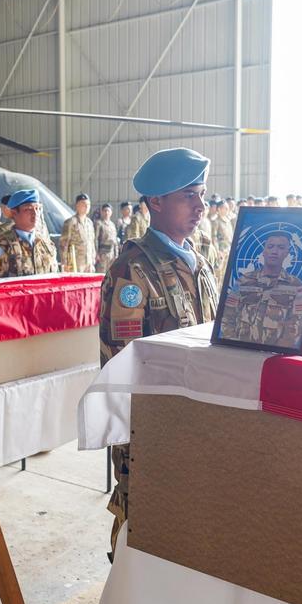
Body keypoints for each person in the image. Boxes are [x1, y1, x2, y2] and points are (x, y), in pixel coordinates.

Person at [101, 147, 219, 555]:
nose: (200, 206)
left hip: (198, 418)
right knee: (140, 523)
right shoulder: (133, 269)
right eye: (188, 196)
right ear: (156, 201)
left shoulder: (199, 262)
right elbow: (123, 361)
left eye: (201, 195)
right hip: (152, 428)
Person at [217, 231, 302, 348]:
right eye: (270, 246)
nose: (274, 251)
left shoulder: (296, 286)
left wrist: (279, 349)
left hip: (273, 353)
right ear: (264, 251)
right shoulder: (243, 281)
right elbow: (228, 315)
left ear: (286, 253)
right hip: (239, 349)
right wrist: (232, 342)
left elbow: (297, 323)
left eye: (281, 247)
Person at [0, 189, 58, 277]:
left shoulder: (46, 244)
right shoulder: (2, 246)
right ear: (14, 213)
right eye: (28, 209)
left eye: (37, 208)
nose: (35, 213)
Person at [60, 193, 97, 272]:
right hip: (75, 263)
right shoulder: (71, 222)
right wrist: (65, 263)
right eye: (83, 204)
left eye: (88, 204)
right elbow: (64, 244)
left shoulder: (89, 223)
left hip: (88, 263)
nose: (86, 206)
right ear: (77, 206)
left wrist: (93, 259)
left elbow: (91, 242)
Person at [95, 203, 119, 272]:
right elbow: (95, 239)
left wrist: (116, 254)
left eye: (108, 211)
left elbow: (115, 241)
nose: (106, 213)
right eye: (105, 211)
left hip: (111, 253)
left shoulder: (112, 225)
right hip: (102, 253)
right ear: (102, 212)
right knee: (101, 273)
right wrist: (96, 253)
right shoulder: (99, 223)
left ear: (111, 212)